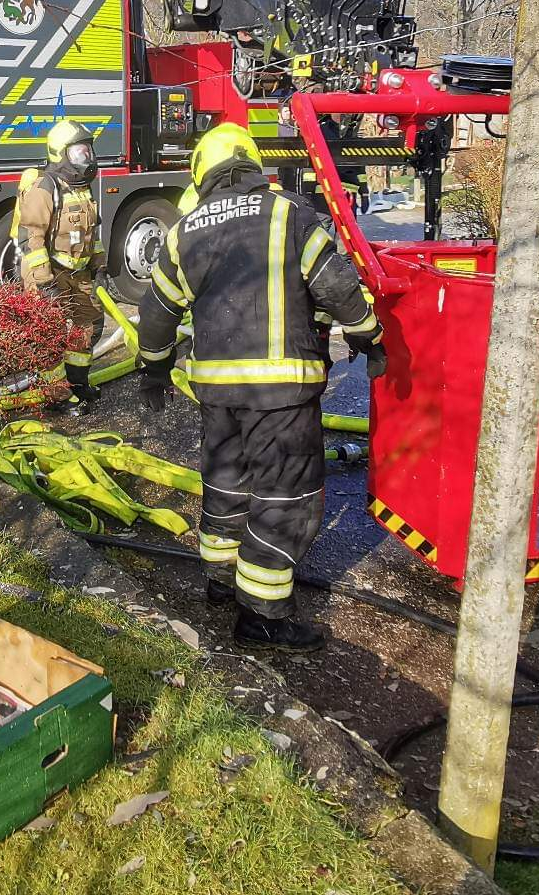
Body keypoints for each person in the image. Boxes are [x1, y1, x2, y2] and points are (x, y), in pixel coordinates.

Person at [137, 123, 385, 652]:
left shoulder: (184, 231)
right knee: (284, 500)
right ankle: (263, 616)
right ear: (251, 165)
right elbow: (338, 287)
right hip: (282, 396)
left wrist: (155, 368)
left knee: (226, 486)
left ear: (202, 175)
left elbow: (156, 312)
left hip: (218, 396)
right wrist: (370, 336)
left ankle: (220, 582)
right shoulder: (290, 215)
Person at [14, 118, 105, 406]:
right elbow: (31, 236)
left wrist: (99, 264)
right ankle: (55, 398)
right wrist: (44, 282)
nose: (87, 159)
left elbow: (91, 233)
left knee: (88, 325)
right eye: (80, 153)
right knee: (50, 336)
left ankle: (78, 383)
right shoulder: (46, 186)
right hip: (49, 274)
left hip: (77, 273)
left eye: (88, 152)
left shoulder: (81, 188)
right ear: (60, 153)